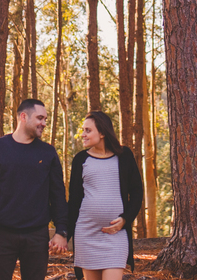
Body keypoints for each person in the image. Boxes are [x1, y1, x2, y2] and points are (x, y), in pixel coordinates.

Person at [0, 98, 70, 280]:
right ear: (23, 117)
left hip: (36, 235)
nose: (44, 123)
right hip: (2, 235)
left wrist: (61, 231)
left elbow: (57, 195)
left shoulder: (48, 153)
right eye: (40, 118)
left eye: (46, 119)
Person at [66, 111, 144, 280]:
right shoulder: (80, 160)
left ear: (102, 132)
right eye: (83, 130)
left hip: (115, 235)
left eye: (88, 130)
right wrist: (64, 235)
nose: (83, 134)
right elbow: (74, 202)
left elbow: (137, 192)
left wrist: (125, 219)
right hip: (86, 234)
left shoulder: (124, 156)